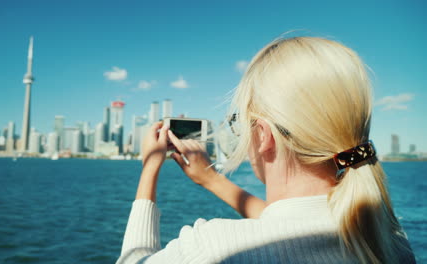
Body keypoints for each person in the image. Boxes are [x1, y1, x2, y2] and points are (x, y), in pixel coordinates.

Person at [116, 36, 416, 264]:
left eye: (240, 124)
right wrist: (210, 180)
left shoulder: (211, 247)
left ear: (262, 135)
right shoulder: (388, 239)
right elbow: (290, 228)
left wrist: (149, 168)